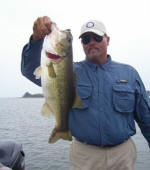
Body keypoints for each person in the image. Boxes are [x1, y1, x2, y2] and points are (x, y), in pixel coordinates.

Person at [21, 16, 150, 170]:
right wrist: (36, 40)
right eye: (86, 39)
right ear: (81, 45)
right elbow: (29, 69)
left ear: (107, 40)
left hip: (123, 155)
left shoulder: (129, 73)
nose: (92, 42)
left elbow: (146, 117)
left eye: (97, 37)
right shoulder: (67, 70)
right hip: (83, 156)